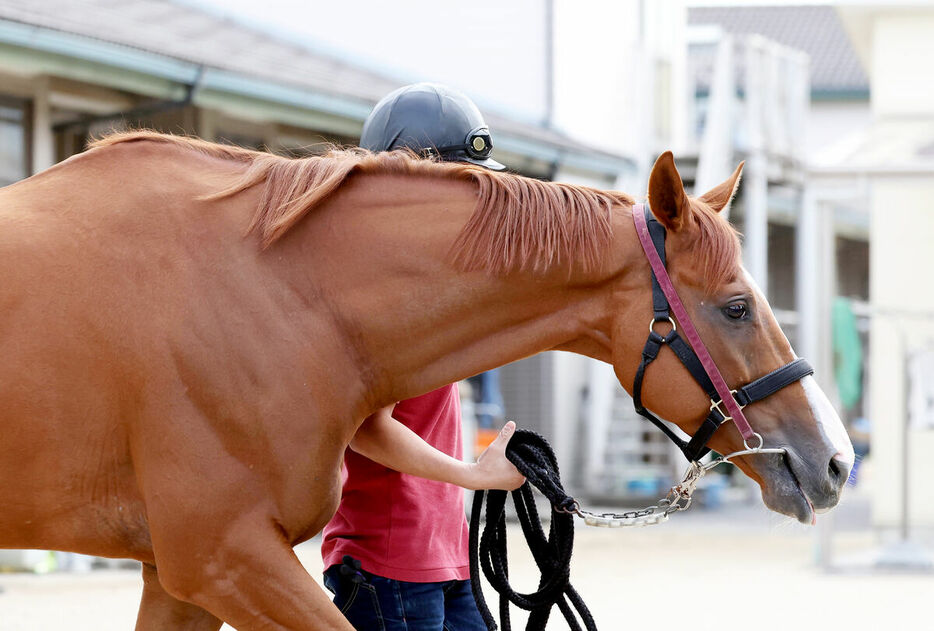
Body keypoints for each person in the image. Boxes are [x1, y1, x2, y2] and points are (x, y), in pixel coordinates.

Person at [321, 83, 523, 631]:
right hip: (387, 564)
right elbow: (366, 428)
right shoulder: (376, 288)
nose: (474, 200)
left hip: (441, 553)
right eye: (462, 184)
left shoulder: (427, 281)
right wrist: (473, 475)